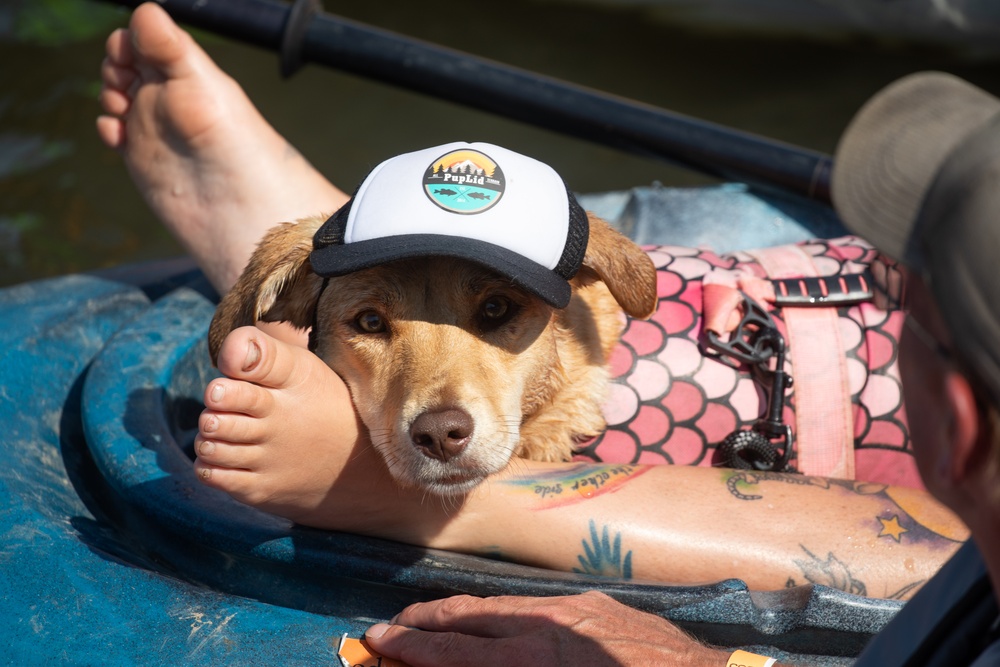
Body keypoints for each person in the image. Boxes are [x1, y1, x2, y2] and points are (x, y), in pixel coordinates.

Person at [95, 5, 984, 664]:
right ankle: (321, 249)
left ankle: (443, 469)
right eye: (374, 322)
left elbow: (944, 566)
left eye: (492, 315)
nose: (440, 404)